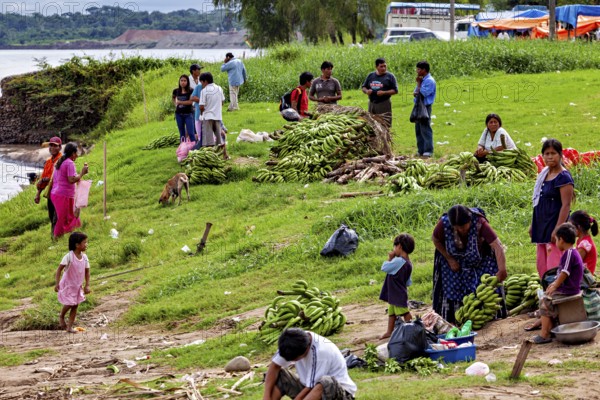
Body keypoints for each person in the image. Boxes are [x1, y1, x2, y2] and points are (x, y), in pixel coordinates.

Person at [432, 205, 508, 324]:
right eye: (458, 228)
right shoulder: (444, 224)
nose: (462, 230)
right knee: (452, 285)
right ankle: (456, 319)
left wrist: (502, 269)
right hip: (454, 259)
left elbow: (497, 246)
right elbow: (435, 239)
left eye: (464, 226)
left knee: (486, 285)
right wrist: (450, 259)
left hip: (480, 259)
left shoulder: (480, 223)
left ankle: (490, 316)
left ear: (470, 220)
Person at [263, 328, 357, 400]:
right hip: (309, 389)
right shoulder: (291, 341)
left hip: (339, 394)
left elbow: (311, 387)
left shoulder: (321, 352)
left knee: (326, 382)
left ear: (305, 351)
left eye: (294, 359)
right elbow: (274, 366)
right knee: (279, 374)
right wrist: (266, 397)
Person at [533, 223, 584, 344]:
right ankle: (549, 328)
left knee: (544, 301)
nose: (555, 242)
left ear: (561, 239)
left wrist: (556, 284)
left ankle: (545, 334)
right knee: (547, 296)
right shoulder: (571, 252)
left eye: (556, 239)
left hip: (568, 290)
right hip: (567, 289)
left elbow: (565, 272)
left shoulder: (569, 253)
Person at [530, 138, 574, 278]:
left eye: (553, 153)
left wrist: (557, 228)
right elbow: (538, 201)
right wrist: (533, 224)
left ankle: (557, 295)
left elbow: (566, 205)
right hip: (541, 224)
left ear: (560, 155)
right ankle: (546, 292)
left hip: (554, 224)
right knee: (541, 265)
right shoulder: (544, 174)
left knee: (554, 265)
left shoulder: (563, 177)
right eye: (546, 153)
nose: (549, 157)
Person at [379, 233, 415, 339]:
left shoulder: (398, 261)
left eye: (394, 247)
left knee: (404, 312)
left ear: (399, 246)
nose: (394, 249)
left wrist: (390, 258)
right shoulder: (408, 263)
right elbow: (408, 281)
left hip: (397, 293)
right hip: (398, 292)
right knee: (392, 312)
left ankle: (413, 329)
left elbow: (384, 267)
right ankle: (389, 331)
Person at [50, 143, 88, 239]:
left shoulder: (60, 161)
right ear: (72, 153)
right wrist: (82, 173)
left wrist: (79, 176)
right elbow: (71, 180)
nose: (77, 155)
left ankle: (72, 236)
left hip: (57, 194)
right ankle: (56, 239)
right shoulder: (69, 163)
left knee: (70, 216)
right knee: (63, 219)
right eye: (76, 153)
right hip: (63, 195)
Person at [55, 231, 91, 333]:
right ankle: (61, 316)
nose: (86, 244)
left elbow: (87, 272)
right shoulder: (69, 256)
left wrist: (87, 285)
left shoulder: (85, 257)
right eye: (84, 242)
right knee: (70, 303)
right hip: (67, 285)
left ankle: (69, 327)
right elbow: (59, 270)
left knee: (75, 305)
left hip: (77, 286)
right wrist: (57, 283)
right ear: (77, 245)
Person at [35, 136, 62, 237]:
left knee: (57, 217)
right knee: (51, 216)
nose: (52, 148)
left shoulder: (61, 160)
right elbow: (43, 179)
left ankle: (55, 238)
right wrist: (38, 194)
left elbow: (59, 177)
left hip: (59, 193)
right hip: (50, 194)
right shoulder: (48, 162)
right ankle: (54, 237)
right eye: (51, 145)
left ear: (59, 147)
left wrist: (48, 179)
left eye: (55, 146)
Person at [198, 72, 229, 159]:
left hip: (207, 117)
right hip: (218, 116)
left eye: (202, 82)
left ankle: (211, 157)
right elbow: (222, 102)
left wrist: (202, 113)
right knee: (220, 137)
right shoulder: (219, 88)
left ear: (205, 81)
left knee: (209, 140)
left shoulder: (204, 91)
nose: (202, 85)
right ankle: (225, 155)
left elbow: (201, 106)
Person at [361, 58, 398, 128]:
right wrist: (367, 91)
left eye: (385, 66)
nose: (383, 68)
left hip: (384, 103)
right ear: (376, 67)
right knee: (371, 124)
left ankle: (385, 138)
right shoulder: (370, 75)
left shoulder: (390, 76)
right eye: (381, 66)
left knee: (384, 124)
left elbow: (395, 90)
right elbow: (363, 87)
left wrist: (384, 92)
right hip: (372, 103)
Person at [413, 60, 436, 158]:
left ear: (424, 70)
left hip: (425, 106)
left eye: (418, 69)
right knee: (418, 128)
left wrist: (418, 84)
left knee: (425, 127)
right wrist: (418, 87)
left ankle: (428, 150)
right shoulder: (422, 80)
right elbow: (415, 92)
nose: (417, 71)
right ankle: (421, 150)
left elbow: (423, 93)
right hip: (418, 105)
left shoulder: (429, 81)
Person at [569, 210, 598, 275]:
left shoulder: (584, 244)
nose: (570, 229)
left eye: (571, 227)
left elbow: (574, 264)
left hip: (583, 280)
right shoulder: (582, 240)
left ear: (578, 227)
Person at [172, 75, 196, 142]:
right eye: (181, 80)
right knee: (182, 133)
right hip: (178, 114)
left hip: (188, 114)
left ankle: (194, 147)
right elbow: (173, 98)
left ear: (187, 82)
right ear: (179, 81)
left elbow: (190, 102)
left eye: (185, 81)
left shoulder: (191, 90)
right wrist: (175, 104)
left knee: (191, 133)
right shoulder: (176, 91)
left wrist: (179, 102)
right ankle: (183, 147)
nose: (183, 82)